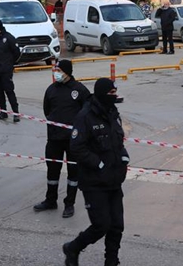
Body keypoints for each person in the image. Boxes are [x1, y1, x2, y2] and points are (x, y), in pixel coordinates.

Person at [63, 78, 129, 266]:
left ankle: (111, 261)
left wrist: (124, 157)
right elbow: (77, 147)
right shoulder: (85, 116)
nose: (114, 97)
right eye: (111, 93)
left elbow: (118, 140)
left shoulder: (113, 112)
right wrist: (99, 164)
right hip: (94, 181)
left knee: (117, 226)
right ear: (102, 94)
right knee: (101, 225)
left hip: (115, 179)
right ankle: (73, 248)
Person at [34, 60, 91, 218]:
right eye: (55, 69)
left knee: (73, 172)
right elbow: (47, 110)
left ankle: (69, 204)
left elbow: (88, 111)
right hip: (54, 138)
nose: (56, 72)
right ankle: (50, 200)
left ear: (67, 71)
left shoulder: (79, 90)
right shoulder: (51, 90)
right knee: (53, 170)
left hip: (73, 140)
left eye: (58, 70)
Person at [0, 19, 22, 122]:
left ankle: (15, 113)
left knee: (9, 91)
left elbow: (16, 52)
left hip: (6, 70)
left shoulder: (8, 38)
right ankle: (3, 111)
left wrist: (10, 63)